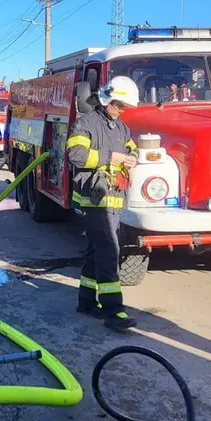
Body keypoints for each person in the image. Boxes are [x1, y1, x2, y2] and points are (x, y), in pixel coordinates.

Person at [66, 76, 140, 332]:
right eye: (119, 105)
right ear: (107, 98)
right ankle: (112, 309)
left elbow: (133, 149)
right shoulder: (86, 124)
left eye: (125, 107)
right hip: (94, 199)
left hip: (113, 198)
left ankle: (86, 302)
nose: (122, 110)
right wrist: (111, 157)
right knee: (109, 250)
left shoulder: (121, 128)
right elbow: (75, 156)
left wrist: (132, 158)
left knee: (96, 250)